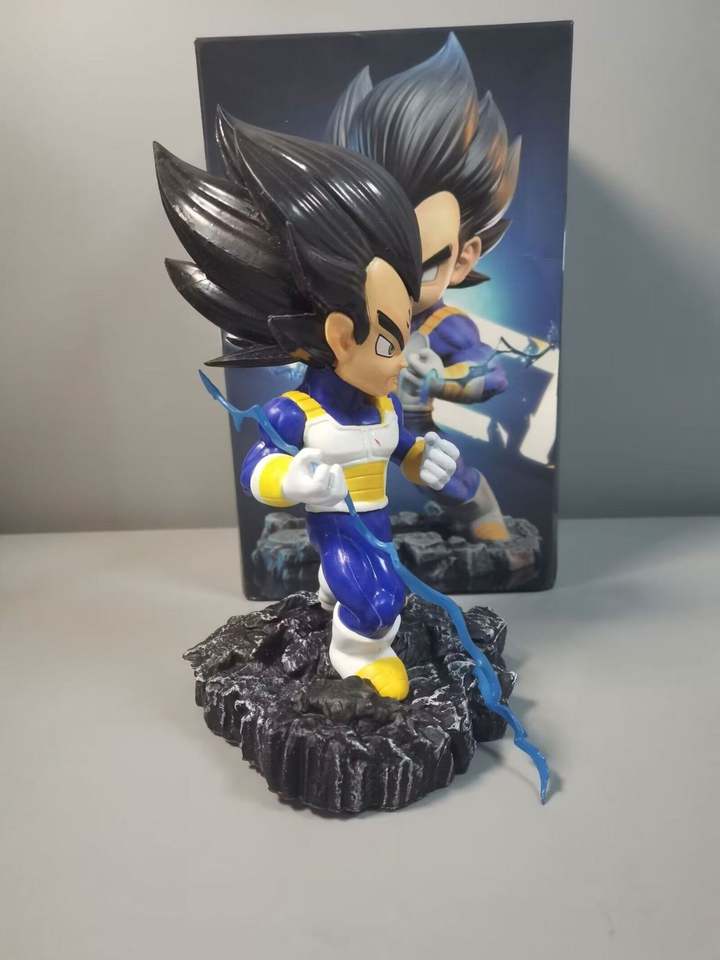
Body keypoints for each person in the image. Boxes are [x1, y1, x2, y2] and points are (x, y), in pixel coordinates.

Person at [154, 109, 460, 700]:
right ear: (341, 336)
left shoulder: (384, 408)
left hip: (377, 530)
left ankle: (332, 594)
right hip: (339, 531)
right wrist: (291, 478)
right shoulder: (297, 412)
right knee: (381, 604)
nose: (402, 360)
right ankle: (358, 652)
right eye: (389, 342)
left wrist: (424, 459)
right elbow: (256, 469)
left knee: (375, 579)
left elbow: (402, 449)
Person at [327, 32, 521, 541]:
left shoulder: (443, 325)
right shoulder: (343, 312)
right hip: (344, 429)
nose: (398, 283)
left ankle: (489, 525)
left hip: (412, 432)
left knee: (449, 480)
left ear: (463, 258)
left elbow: (492, 374)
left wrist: (439, 381)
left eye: (421, 268)